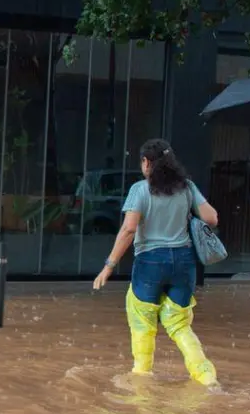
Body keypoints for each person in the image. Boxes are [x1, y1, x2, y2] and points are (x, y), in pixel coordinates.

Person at [93, 139, 219, 387]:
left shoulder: (140, 190)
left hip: (150, 262)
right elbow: (211, 218)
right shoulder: (187, 187)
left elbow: (129, 230)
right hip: (183, 262)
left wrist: (108, 266)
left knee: (142, 320)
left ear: (146, 162)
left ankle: (142, 378)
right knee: (180, 324)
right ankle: (207, 378)